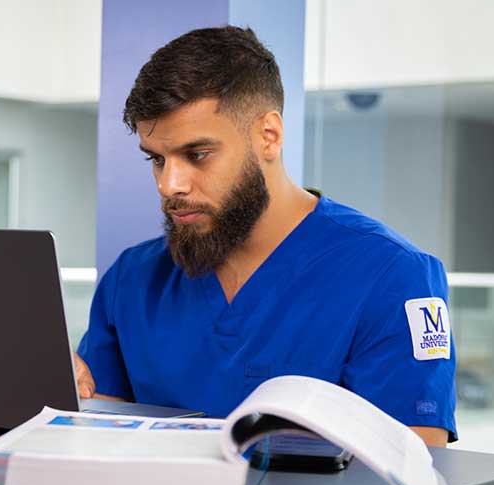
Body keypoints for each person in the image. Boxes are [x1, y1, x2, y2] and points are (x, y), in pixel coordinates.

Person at [73, 26, 456, 447]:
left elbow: (412, 467)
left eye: (196, 155)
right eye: (158, 159)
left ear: (268, 136)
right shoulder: (133, 278)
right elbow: (99, 441)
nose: (170, 184)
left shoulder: (390, 275)